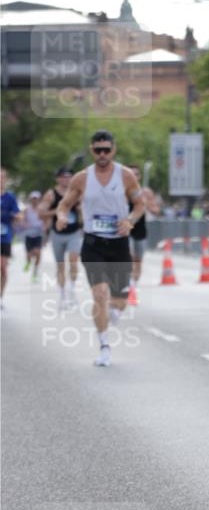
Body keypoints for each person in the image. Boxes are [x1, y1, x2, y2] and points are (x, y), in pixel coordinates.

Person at [55, 131, 145, 367]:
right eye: (98, 150)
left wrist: (130, 221)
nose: (102, 154)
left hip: (118, 243)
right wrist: (62, 216)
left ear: (113, 149)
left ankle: (114, 311)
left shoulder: (125, 175)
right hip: (93, 242)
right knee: (100, 294)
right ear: (92, 150)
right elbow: (64, 205)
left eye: (106, 149)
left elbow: (140, 204)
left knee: (120, 301)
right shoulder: (82, 179)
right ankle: (104, 346)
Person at [40, 167, 82, 309]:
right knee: (60, 266)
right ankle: (62, 296)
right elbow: (41, 213)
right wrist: (60, 210)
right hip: (57, 234)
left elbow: (87, 209)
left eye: (69, 176)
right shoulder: (51, 194)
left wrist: (81, 209)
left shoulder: (77, 193)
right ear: (58, 179)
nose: (67, 179)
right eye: (63, 177)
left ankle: (72, 289)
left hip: (74, 232)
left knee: (73, 260)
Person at [128, 165, 161, 303]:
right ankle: (129, 285)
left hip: (140, 229)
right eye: (131, 174)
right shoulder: (122, 191)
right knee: (128, 258)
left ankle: (133, 286)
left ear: (140, 176)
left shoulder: (146, 192)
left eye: (136, 174)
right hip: (126, 229)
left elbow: (156, 211)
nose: (134, 176)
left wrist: (146, 204)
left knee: (138, 261)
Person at [1, 168, 23, 308]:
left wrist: (16, 217)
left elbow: (19, 215)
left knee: (2, 268)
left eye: (2, 178)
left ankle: (1, 296)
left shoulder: (10, 197)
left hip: (4, 237)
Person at [22, 191, 47, 282]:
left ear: (38, 200)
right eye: (33, 199)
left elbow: (45, 221)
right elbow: (22, 220)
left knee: (37, 253)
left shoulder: (41, 210)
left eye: (36, 199)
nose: (34, 201)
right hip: (29, 234)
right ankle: (28, 263)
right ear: (31, 200)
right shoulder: (26, 210)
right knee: (29, 255)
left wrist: (44, 228)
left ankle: (35, 273)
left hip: (38, 235)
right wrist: (25, 225)